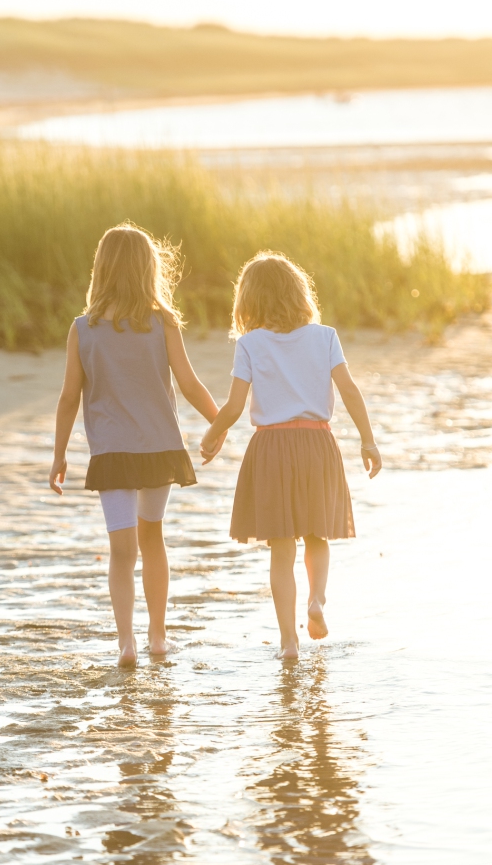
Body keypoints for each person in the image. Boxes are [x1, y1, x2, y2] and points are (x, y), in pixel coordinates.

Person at [49, 223, 223, 668]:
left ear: (101, 269)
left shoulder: (82, 329)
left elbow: (69, 397)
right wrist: (220, 423)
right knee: (153, 539)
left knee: (121, 550)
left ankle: (126, 643)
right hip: (159, 448)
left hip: (112, 452)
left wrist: (59, 454)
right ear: (149, 269)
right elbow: (188, 382)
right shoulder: (163, 323)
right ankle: (158, 636)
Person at [200, 252, 382, 660]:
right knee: (317, 533)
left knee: (281, 549)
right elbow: (350, 391)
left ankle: (288, 642)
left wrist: (213, 435)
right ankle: (316, 600)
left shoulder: (250, 344)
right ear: (299, 293)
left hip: (272, 447)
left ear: (248, 301)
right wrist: (368, 440)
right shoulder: (325, 336)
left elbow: (232, 406)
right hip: (318, 444)